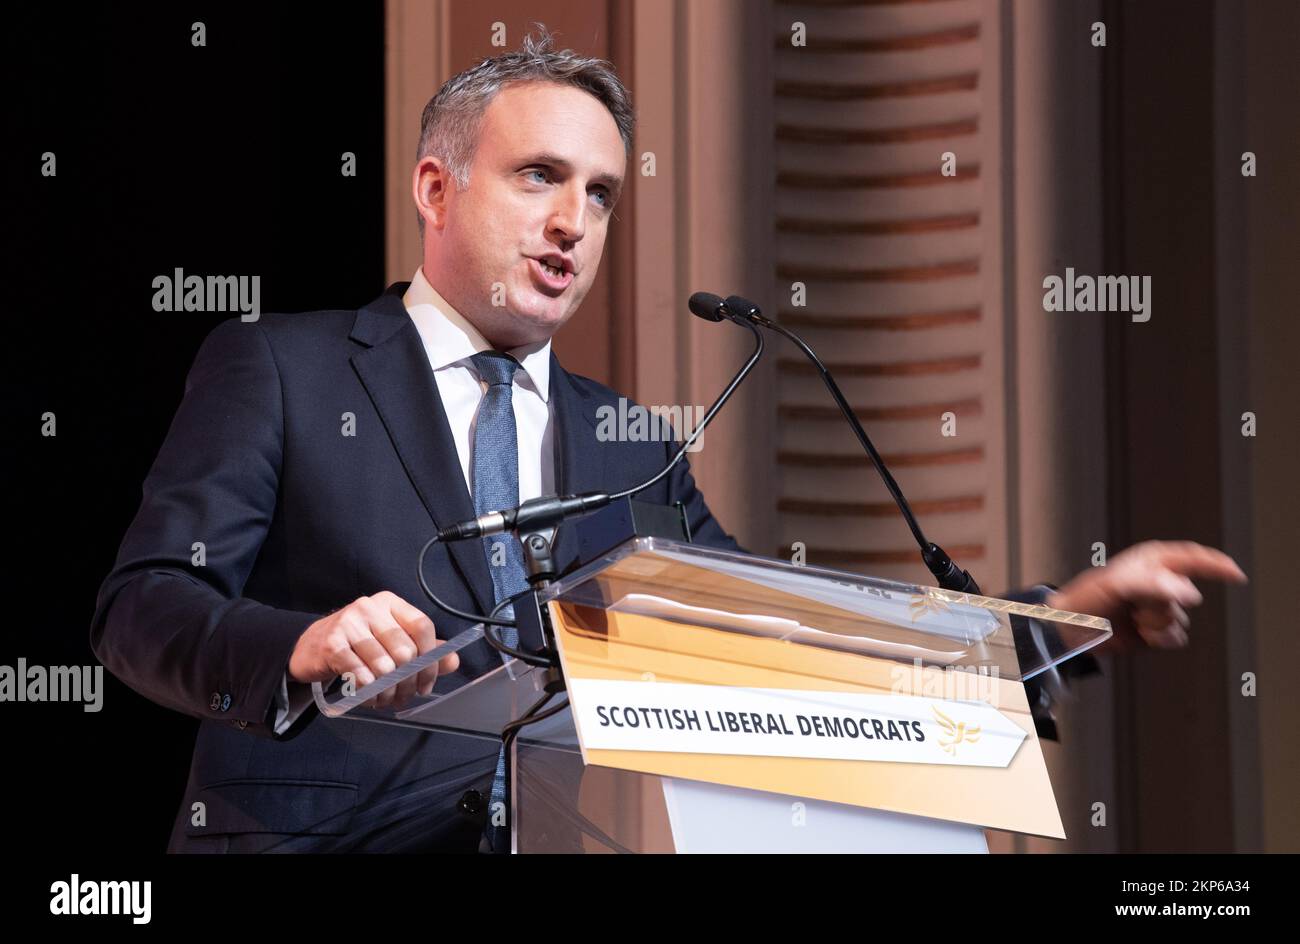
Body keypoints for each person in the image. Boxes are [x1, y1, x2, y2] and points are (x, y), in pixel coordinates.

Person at [89, 32, 1247, 854]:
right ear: (434, 189)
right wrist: (300, 643)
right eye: (538, 176)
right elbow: (141, 611)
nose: (570, 224)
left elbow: (798, 658)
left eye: (599, 195)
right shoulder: (282, 368)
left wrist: (1066, 620)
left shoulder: (622, 444)